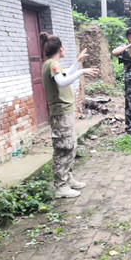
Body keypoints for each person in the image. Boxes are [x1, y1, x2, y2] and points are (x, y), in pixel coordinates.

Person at [40, 32, 99, 198]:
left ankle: (68, 178)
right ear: (60, 48)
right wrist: (82, 72)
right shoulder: (52, 64)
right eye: (64, 46)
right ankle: (61, 186)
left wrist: (77, 63)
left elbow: (64, 76)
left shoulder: (52, 64)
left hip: (64, 111)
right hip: (60, 113)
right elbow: (62, 81)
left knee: (70, 145)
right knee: (63, 148)